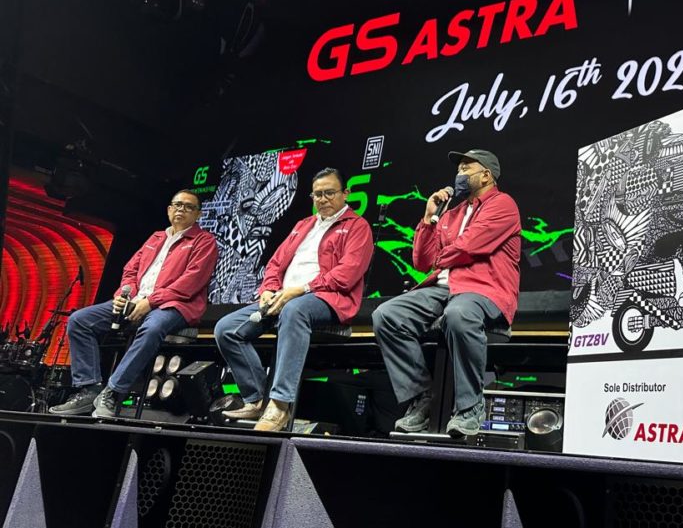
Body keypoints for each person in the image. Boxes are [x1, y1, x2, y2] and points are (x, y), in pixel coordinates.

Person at [372, 149, 521, 437]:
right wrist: (429, 218)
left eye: (466, 168)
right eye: (459, 169)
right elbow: (422, 261)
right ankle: (422, 398)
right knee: (386, 315)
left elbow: (468, 247)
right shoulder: (451, 214)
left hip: (482, 289)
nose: (459, 174)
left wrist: (442, 257)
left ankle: (470, 407)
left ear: (486, 175)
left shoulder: (503, 204)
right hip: (442, 288)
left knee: (459, 314)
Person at [214, 167, 373, 431]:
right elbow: (276, 263)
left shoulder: (357, 226)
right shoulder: (303, 225)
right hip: (282, 297)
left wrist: (301, 289)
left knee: (294, 311)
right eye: (317, 194)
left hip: (326, 299)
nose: (322, 199)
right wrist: (269, 288)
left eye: (329, 193)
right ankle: (257, 400)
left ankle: (279, 405)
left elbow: (347, 274)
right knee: (226, 329)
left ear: (346, 193)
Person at [50, 189, 218, 418]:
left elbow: (191, 282)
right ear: (169, 209)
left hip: (175, 305)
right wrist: (124, 295)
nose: (182, 209)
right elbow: (130, 270)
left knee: (153, 329)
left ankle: (113, 392)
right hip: (136, 301)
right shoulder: (155, 238)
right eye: (177, 205)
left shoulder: (204, 241)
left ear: (198, 214)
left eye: (189, 207)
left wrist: (151, 301)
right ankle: (89, 389)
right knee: (80, 321)